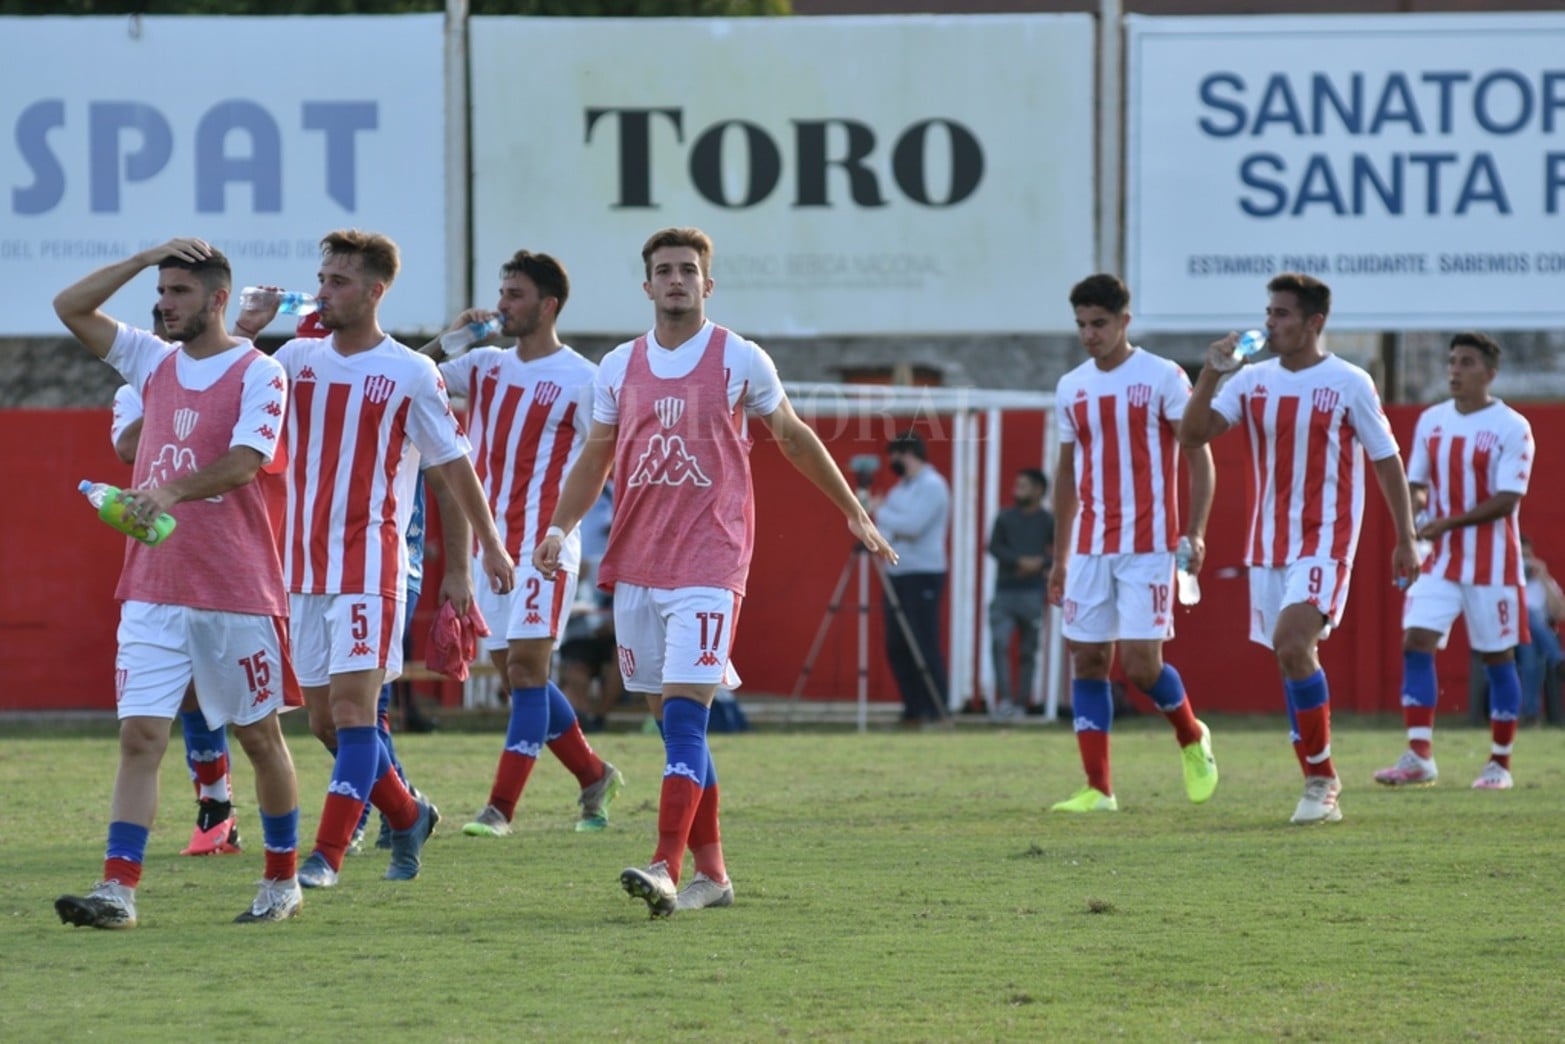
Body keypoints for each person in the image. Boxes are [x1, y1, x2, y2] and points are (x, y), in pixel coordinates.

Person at [534, 226, 896, 917]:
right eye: (664, 270)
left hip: (711, 560)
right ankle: (713, 876)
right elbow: (595, 458)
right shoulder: (617, 366)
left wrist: (852, 510)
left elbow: (791, 434)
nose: (676, 279)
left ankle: (665, 866)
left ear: (708, 283)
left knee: (684, 720)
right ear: (646, 286)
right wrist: (559, 526)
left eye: (688, 270)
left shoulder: (739, 358)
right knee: (672, 726)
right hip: (638, 566)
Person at [52, 238, 303, 927]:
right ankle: (117, 891)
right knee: (140, 738)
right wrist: (142, 258)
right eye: (160, 292)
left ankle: (282, 880)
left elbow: (248, 461)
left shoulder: (260, 372)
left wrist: (168, 492)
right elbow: (69, 306)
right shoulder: (151, 360)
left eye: (178, 293)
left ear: (219, 299)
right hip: (152, 585)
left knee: (259, 739)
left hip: (234, 586)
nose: (163, 304)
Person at [256, 229, 516, 889]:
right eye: (322, 279)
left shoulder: (409, 371)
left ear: (375, 292)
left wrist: (484, 550)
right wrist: (246, 333)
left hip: (371, 567)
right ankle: (407, 812)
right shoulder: (294, 359)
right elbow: (229, 390)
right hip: (301, 569)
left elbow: (454, 469)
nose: (323, 292)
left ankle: (326, 857)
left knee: (352, 713)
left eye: (338, 282)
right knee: (322, 722)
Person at [1179, 272, 1420, 825]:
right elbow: (1191, 436)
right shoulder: (1251, 380)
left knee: (1292, 642)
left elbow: (1386, 460)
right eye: (1269, 312)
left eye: (1283, 314)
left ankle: (1321, 780)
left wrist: (1406, 537)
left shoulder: (1349, 382)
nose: (1271, 323)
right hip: (1267, 547)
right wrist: (1209, 377)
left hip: (1325, 541)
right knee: (1290, 659)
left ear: (1314, 323)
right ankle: (1317, 773)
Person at [426, 249, 624, 840]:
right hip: (491, 549)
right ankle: (594, 775)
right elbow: (404, 377)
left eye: (515, 295)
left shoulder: (585, 379)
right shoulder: (483, 364)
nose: (503, 304)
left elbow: (600, 462)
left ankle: (500, 809)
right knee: (514, 678)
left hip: (544, 548)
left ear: (548, 305)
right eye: (503, 292)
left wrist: (565, 532)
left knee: (529, 671)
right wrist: (450, 339)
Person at [1047, 274, 1219, 813]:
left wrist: (1195, 529)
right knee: (1088, 661)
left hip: (1148, 546)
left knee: (1142, 668)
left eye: (1098, 324)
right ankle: (1099, 789)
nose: (1089, 335)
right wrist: (1060, 557)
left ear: (1125, 321)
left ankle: (1192, 737)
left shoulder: (1163, 376)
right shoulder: (1071, 387)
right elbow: (1067, 474)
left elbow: (1198, 454)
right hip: (1091, 548)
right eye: (1081, 325)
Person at [1374, 333, 1534, 790]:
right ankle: (1419, 756)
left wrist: (1446, 522)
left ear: (1489, 373)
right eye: (1451, 362)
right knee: (1416, 640)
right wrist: (1419, 512)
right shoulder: (1432, 421)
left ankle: (1499, 764)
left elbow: (1507, 499)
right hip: (1440, 560)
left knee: (1497, 657)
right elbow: (1417, 482)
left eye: (1466, 363)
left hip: (1493, 564)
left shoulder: (1511, 426)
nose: (1454, 371)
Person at [110, 374, 243, 857]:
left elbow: (248, 461)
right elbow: (127, 447)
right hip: (162, 563)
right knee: (179, 700)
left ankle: (393, 803)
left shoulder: (241, 377)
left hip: (234, 563)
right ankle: (215, 804)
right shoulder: (136, 391)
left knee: (264, 722)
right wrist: (168, 397)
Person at [872, 431, 952, 726]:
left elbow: (913, 526)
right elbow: (889, 533)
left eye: (896, 455)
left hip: (924, 572)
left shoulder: (932, 485)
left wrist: (880, 511)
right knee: (897, 644)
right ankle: (913, 707)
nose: (892, 462)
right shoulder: (900, 490)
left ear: (909, 454)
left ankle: (936, 707)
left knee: (923, 641)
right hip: (898, 572)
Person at [987, 467, 1054, 718]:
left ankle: (1021, 703)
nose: (1017, 491)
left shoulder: (1047, 520)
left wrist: (1040, 564)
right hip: (1005, 591)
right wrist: (1019, 562)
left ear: (1038, 491)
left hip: (1032, 593)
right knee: (999, 643)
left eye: (1023, 486)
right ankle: (1004, 700)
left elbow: (1059, 551)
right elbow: (994, 547)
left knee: (1029, 649)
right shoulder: (1005, 518)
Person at [1517, 534, 1565, 722]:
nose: (1525, 563)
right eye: (1521, 558)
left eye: (1528, 557)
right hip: (1513, 634)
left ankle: (1530, 713)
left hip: (1533, 637)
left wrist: (1543, 576)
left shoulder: (1543, 583)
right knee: (1529, 614)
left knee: (1531, 652)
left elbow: (1560, 613)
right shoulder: (1506, 582)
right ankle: (1558, 659)